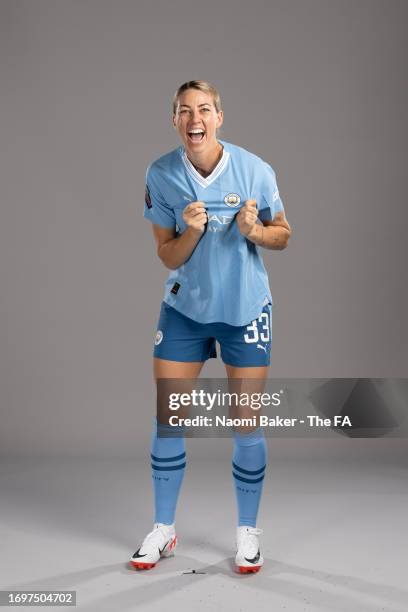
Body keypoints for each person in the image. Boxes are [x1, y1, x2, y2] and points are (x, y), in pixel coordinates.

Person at [130, 80, 291, 574]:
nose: (193, 118)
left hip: (244, 309)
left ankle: (247, 533)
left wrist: (254, 231)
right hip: (186, 311)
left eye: (203, 109)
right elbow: (165, 254)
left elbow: (282, 234)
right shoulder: (161, 173)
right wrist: (192, 231)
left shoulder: (255, 168)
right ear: (174, 121)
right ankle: (163, 529)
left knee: (246, 425)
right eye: (184, 111)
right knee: (169, 418)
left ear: (219, 117)